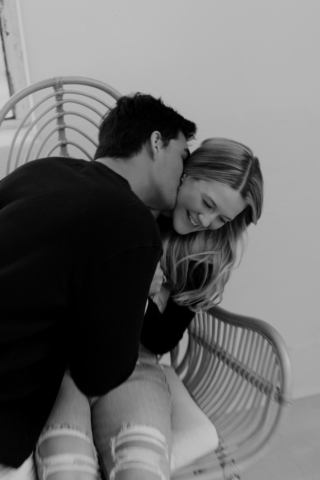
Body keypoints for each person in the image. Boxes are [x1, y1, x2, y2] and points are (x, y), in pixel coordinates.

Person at [35, 138, 263, 480]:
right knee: (66, 469)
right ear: (187, 174)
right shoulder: (122, 208)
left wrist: (137, 287)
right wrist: (127, 270)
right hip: (59, 359)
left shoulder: (199, 258)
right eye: (207, 202)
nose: (207, 219)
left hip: (136, 365)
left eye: (222, 218)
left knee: (141, 468)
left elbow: (162, 339)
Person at [0, 93, 197, 474]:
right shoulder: (130, 223)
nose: (183, 174)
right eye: (183, 157)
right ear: (157, 143)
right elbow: (100, 375)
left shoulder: (41, 170)